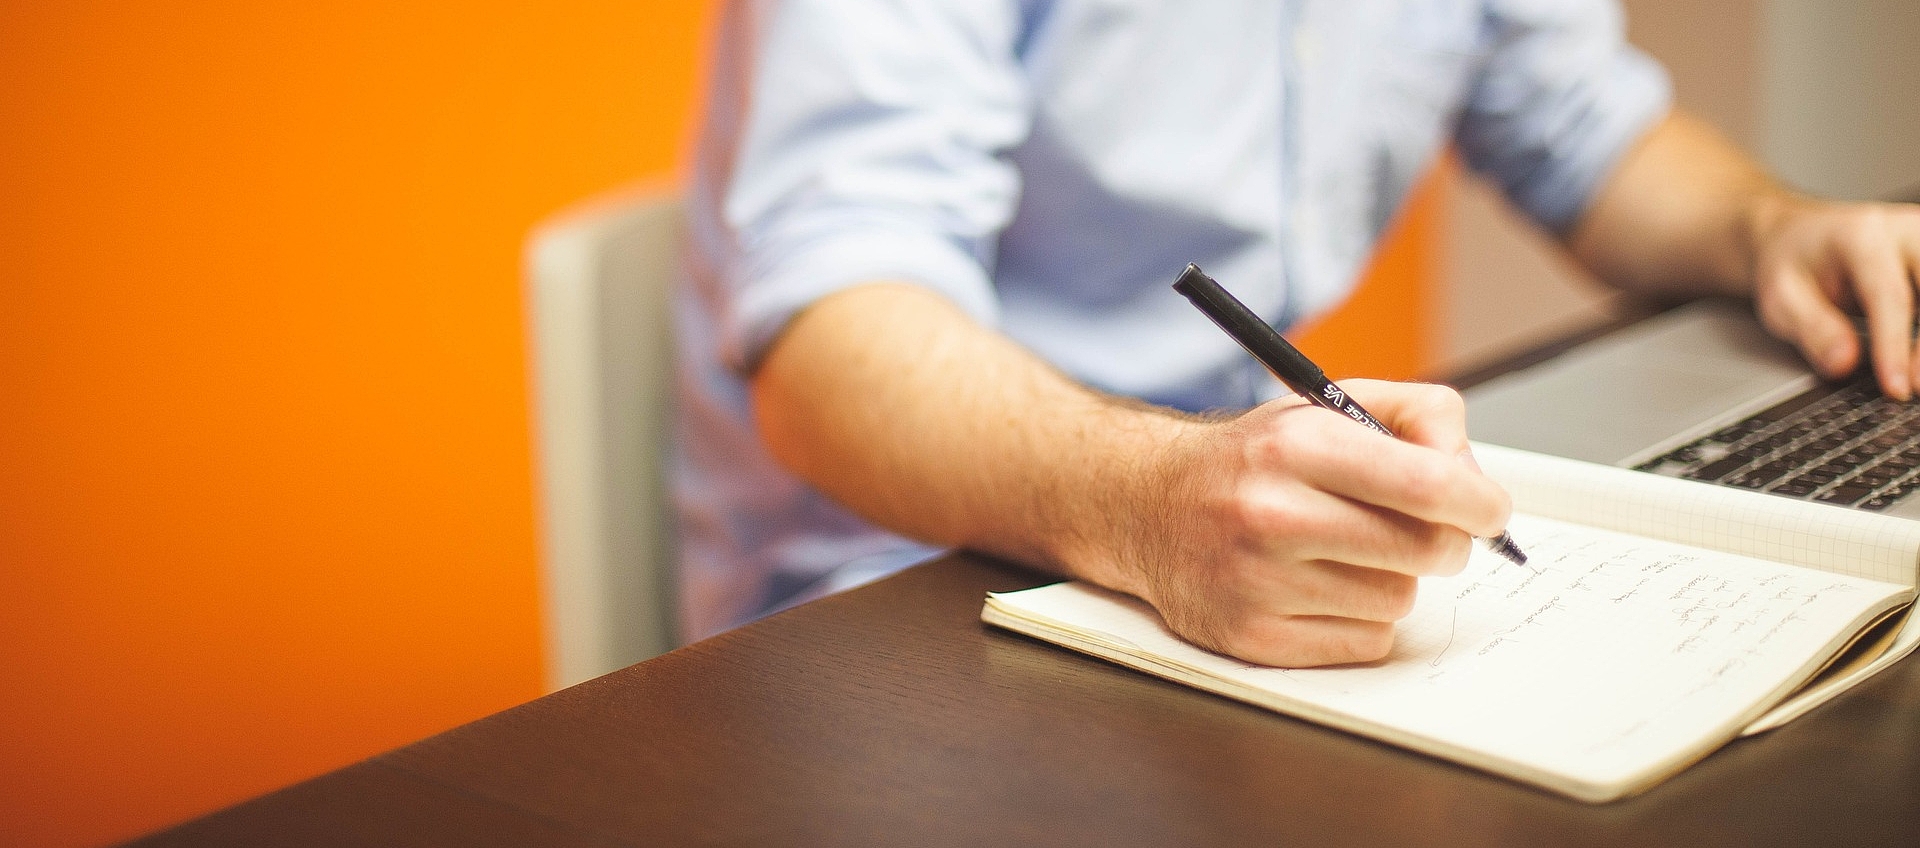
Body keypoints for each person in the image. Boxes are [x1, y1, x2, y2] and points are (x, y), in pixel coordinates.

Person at [671, 0, 1920, 664]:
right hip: (899, 593)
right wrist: (1155, 500)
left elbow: (1584, 128)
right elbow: (830, 341)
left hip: (1223, 523)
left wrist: (1771, 228)